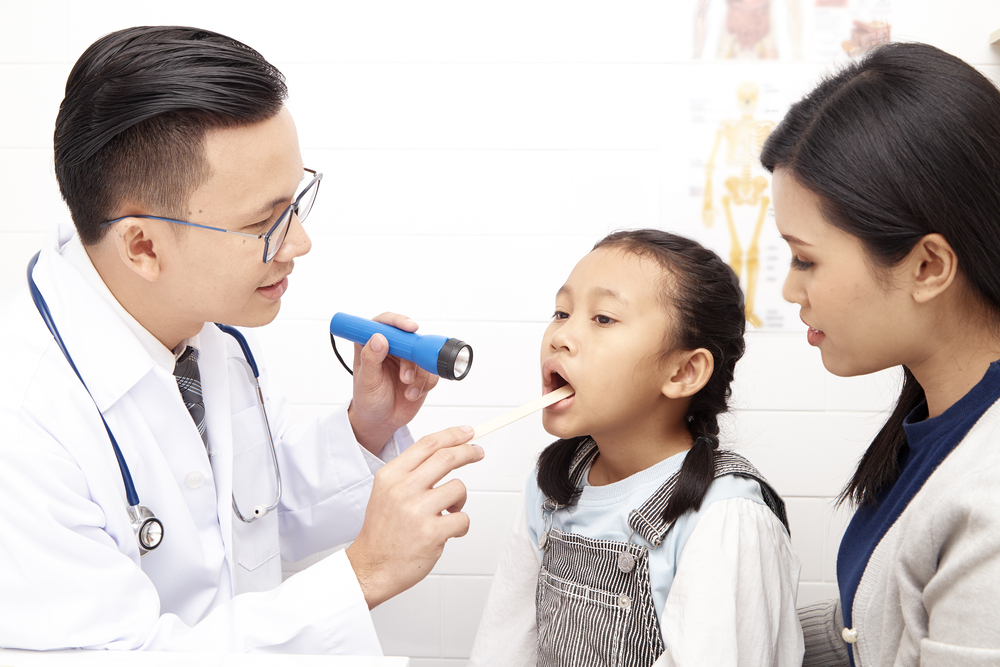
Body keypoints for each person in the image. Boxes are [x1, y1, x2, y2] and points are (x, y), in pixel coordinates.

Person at [0, 26, 484, 653]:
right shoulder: (25, 418)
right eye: (265, 223)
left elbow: (248, 516)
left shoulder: (199, 330)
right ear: (143, 246)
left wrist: (365, 430)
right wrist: (363, 575)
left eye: (295, 205)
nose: (299, 245)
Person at [761, 42, 1000, 666]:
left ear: (928, 265)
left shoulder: (991, 499)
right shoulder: (940, 419)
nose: (791, 290)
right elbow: (870, 625)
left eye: (806, 258)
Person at [468, 229, 802, 666]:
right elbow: (503, 647)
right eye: (561, 311)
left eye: (603, 318)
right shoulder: (551, 487)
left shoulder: (725, 516)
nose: (561, 336)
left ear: (684, 371)